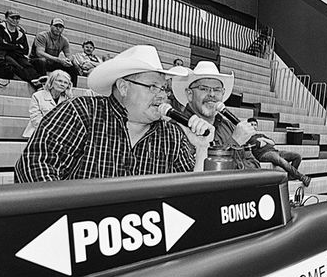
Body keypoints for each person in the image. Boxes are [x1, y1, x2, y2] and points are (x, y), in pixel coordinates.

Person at [14, 45, 214, 182]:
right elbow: (35, 165)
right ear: (124, 87)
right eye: (153, 87)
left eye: (163, 89)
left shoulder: (171, 134)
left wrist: (201, 149)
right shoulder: (81, 113)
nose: (162, 96)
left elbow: (191, 194)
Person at [170, 61, 261, 170]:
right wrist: (234, 143)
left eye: (217, 90)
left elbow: (254, 166)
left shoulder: (229, 126)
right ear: (190, 94)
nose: (212, 94)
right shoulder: (176, 129)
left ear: (222, 94)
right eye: (204, 89)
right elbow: (199, 177)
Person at [247, 117, 311, 187]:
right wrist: (263, 142)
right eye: (251, 125)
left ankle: (290, 176)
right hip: (264, 154)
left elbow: (272, 142)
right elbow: (260, 145)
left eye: (255, 125)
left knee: (297, 156)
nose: (253, 127)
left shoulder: (261, 135)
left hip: (275, 151)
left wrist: (262, 139)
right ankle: (302, 177)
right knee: (282, 161)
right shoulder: (247, 138)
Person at [0, 9, 40, 87]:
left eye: (17, 18)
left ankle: (38, 79)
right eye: (12, 18)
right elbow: (1, 45)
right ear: (6, 18)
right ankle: (34, 82)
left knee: (27, 64)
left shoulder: (20, 32)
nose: (15, 20)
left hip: (15, 55)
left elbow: (25, 50)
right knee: (16, 66)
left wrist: (10, 46)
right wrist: (17, 46)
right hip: (0, 55)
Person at [29, 17, 80, 88]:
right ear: (50, 26)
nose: (58, 28)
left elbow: (69, 55)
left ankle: (72, 88)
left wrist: (68, 61)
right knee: (42, 61)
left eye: (60, 27)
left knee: (72, 68)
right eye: (56, 26)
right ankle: (42, 86)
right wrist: (58, 59)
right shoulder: (42, 36)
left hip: (51, 62)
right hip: (36, 61)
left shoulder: (64, 40)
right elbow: (39, 53)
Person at [22, 69, 73, 139]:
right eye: (59, 81)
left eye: (65, 83)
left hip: (59, 135)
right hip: (38, 133)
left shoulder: (68, 100)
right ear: (51, 81)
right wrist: (52, 131)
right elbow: (35, 119)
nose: (62, 84)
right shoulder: (37, 96)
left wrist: (70, 97)